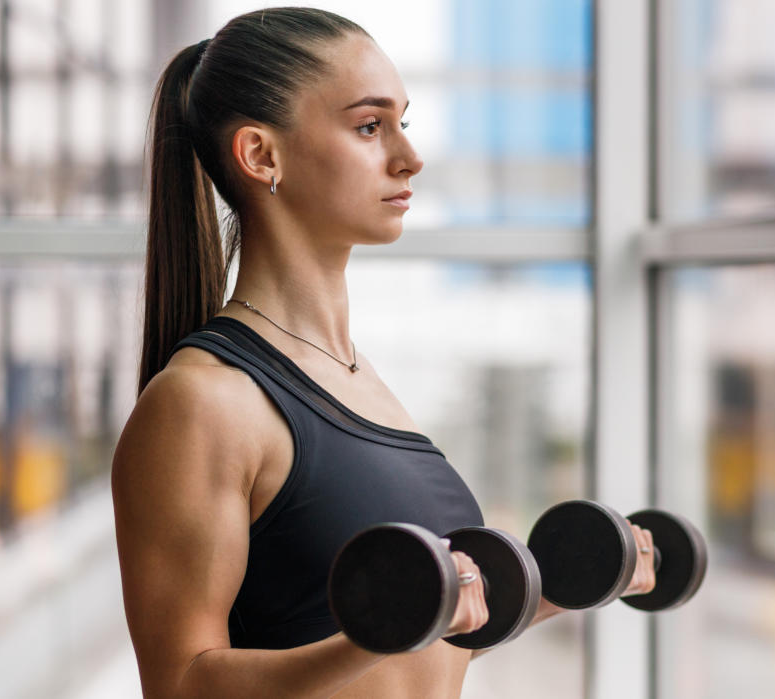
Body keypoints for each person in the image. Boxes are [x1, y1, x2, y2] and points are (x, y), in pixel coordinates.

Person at [110, 7, 656, 698]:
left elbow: (405, 657)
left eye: (404, 121)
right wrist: (375, 632)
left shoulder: (355, 377)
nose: (409, 155)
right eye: (370, 126)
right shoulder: (203, 402)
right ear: (260, 155)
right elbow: (182, 682)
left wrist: (562, 583)